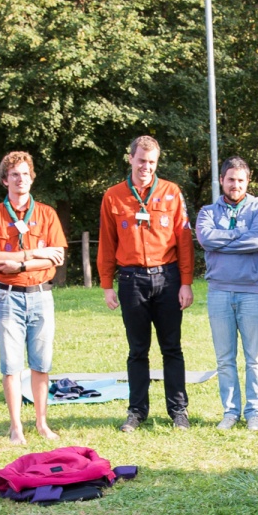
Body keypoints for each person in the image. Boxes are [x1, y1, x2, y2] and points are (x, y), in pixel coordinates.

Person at [97, 135, 194, 432]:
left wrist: (186, 282)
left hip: (168, 278)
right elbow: (107, 242)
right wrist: (107, 284)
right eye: (141, 160)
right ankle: (136, 412)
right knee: (137, 350)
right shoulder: (113, 196)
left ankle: (178, 411)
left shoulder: (171, 192)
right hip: (131, 280)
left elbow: (184, 240)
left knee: (171, 348)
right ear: (130, 159)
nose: (146, 167)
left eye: (151, 162)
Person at [0, 151, 67, 445]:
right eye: (14, 174)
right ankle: (16, 427)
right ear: (5, 180)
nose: (20, 179)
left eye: (25, 174)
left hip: (41, 296)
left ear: (32, 178)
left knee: (42, 364)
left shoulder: (47, 214)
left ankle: (42, 423)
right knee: (11, 365)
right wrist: (36, 253)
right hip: (8, 298)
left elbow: (57, 257)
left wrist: (20, 264)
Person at [196, 156, 258, 431]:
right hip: (219, 292)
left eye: (241, 180)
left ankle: (254, 413)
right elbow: (205, 239)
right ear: (221, 180)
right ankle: (230, 412)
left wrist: (223, 240)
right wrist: (240, 235)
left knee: (255, 357)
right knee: (224, 359)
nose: (235, 185)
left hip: (253, 292)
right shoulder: (207, 212)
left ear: (248, 181)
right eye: (230, 179)